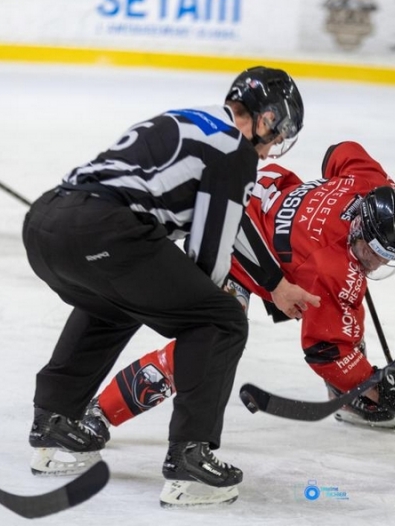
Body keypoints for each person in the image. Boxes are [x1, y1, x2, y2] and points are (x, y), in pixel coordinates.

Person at [24, 66, 320, 508]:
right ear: (267, 119)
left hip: (46, 222)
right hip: (106, 230)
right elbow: (209, 256)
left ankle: (54, 425)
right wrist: (210, 304)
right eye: (278, 135)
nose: (272, 147)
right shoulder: (234, 148)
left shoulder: (196, 119)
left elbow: (230, 216)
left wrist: (274, 284)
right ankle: (188, 459)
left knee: (114, 302)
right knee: (221, 321)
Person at [82, 141, 395, 441]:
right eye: (373, 252)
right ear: (360, 227)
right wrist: (381, 388)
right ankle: (102, 412)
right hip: (233, 244)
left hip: (252, 196)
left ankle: (350, 393)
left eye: (389, 258)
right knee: (208, 343)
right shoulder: (331, 269)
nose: (377, 264)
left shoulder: (370, 181)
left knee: (343, 309)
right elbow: (325, 351)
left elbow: (340, 152)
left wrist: (328, 200)